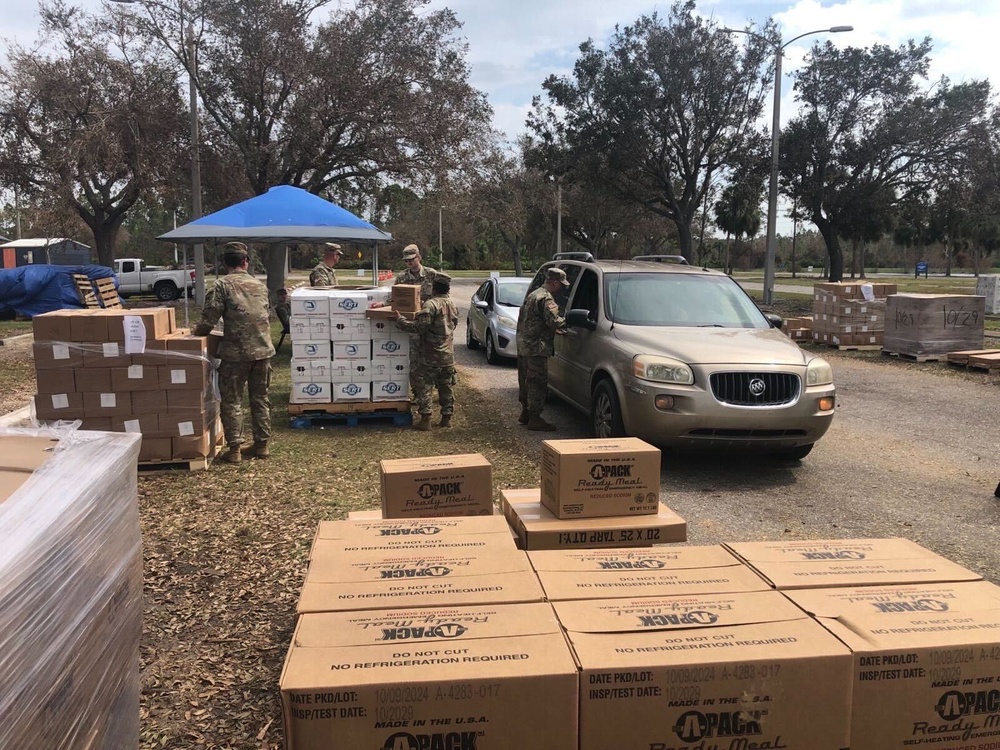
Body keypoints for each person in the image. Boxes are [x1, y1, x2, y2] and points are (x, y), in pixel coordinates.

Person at [193, 242, 275, 464]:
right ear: (245, 261)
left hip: (235, 354)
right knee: (260, 398)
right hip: (263, 351)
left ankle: (235, 449)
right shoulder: (260, 286)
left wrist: (194, 335)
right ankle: (262, 444)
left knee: (232, 400)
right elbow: (267, 314)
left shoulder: (221, 285)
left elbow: (209, 318)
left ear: (224, 263)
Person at [394, 273, 458, 431]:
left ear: (433, 288)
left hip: (430, 355)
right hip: (448, 355)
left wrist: (401, 321)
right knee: (446, 387)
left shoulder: (430, 305)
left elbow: (419, 328)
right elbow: (454, 324)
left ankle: (426, 419)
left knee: (425, 386)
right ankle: (446, 418)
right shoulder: (452, 304)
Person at [516, 267, 569, 431]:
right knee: (537, 382)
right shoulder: (546, 299)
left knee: (526, 380)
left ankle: (525, 412)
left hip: (524, 345)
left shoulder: (533, 294)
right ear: (553, 282)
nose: (562, 288)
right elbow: (555, 321)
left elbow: (532, 320)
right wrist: (568, 321)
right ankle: (535, 418)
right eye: (561, 284)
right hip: (537, 348)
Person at [392, 244, 439, 401]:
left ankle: (436, 393)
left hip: (430, 325)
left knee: (434, 361)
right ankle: (419, 394)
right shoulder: (402, 278)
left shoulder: (432, 275)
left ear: (419, 257)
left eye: (411, 260)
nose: (409, 263)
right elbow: (395, 297)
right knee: (415, 363)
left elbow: (442, 297)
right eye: (406, 261)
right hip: (412, 326)